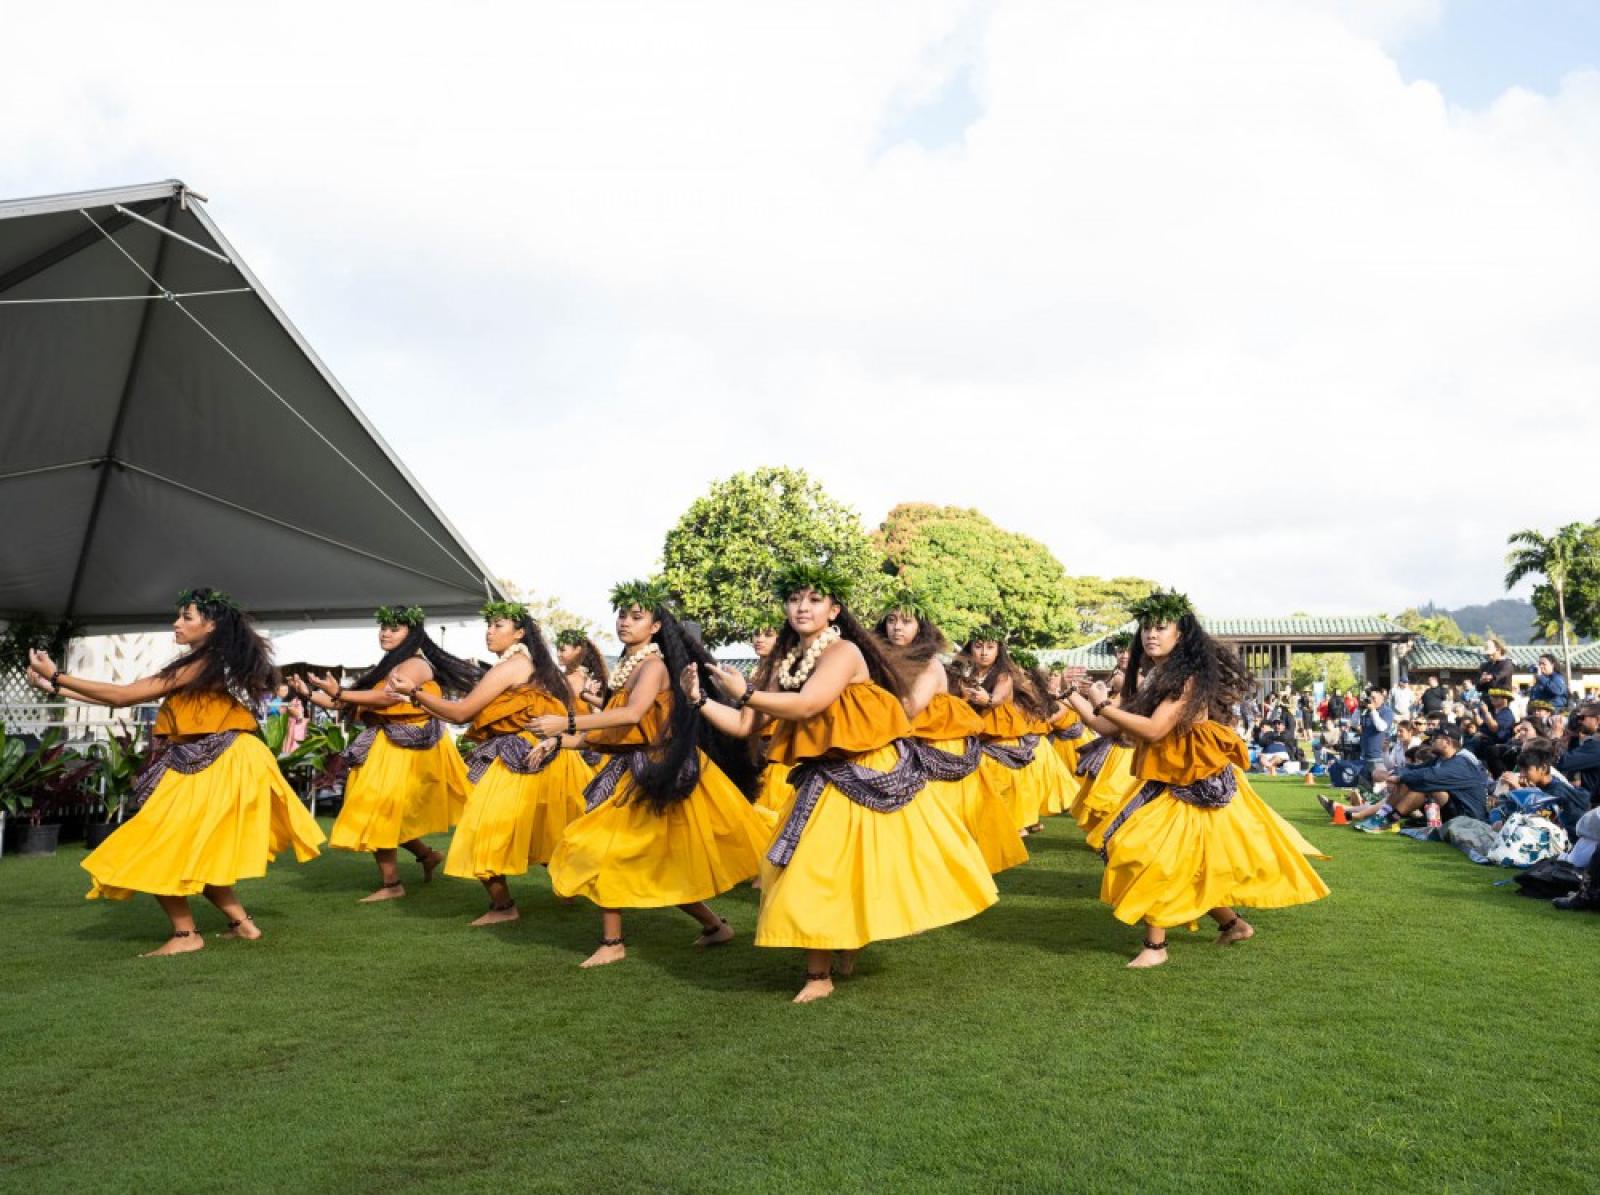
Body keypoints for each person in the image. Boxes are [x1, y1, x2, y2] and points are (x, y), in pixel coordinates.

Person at [691, 564, 997, 1002]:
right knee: (812, 867)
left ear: (834, 610)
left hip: (870, 769)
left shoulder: (845, 652)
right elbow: (745, 725)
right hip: (822, 775)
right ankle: (820, 972)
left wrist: (745, 692)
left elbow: (808, 703)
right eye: (795, 599)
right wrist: (700, 700)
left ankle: (836, 956)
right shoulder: (786, 660)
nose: (802, 607)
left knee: (848, 868)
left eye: (814, 600)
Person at [26, 588, 325, 956]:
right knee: (193, 848)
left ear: (211, 625)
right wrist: (54, 685)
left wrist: (58, 676)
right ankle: (242, 925)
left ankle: (186, 936)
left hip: (221, 760)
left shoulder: (204, 662)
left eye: (187, 617)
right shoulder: (207, 663)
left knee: (157, 844)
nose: (176, 623)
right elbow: (125, 694)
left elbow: (124, 695)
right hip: (221, 756)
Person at [1064, 591, 1328, 968]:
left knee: (1150, 854)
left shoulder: (1185, 678)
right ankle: (1233, 924)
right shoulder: (1157, 675)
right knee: (1175, 859)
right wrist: (1077, 698)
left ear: (1181, 634)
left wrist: (1103, 701)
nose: (1150, 635)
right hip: (1169, 777)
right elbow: (1109, 728)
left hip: (1195, 781)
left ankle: (1156, 948)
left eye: (1161, 627)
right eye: (1146, 628)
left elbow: (1154, 730)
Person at [542, 581, 772, 968]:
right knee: (660, 861)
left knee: (604, 850)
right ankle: (715, 927)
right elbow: (614, 732)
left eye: (637, 616)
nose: (625, 622)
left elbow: (632, 715)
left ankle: (613, 942)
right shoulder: (627, 669)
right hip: (633, 771)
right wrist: (558, 742)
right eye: (622, 615)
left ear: (655, 627)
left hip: (660, 773)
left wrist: (566, 720)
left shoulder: (652, 667)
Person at [391, 601, 594, 925]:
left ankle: (504, 907)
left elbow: (461, 713)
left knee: (482, 828)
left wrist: (415, 692)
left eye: (498, 625)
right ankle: (570, 888)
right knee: (545, 833)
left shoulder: (511, 666)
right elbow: (461, 713)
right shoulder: (531, 666)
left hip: (524, 757)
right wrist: (419, 699)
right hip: (543, 756)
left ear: (520, 632)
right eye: (489, 625)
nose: (490, 631)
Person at [291, 605, 475, 901]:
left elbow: (386, 698)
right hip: (386, 745)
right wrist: (310, 693)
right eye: (383, 628)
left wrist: (339, 692)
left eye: (394, 628)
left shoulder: (415, 664)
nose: (385, 633)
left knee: (376, 810)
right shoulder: (390, 665)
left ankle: (393, 886)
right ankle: (425, 856)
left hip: (409, 749)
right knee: (380, 812)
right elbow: (347, 702)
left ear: (412, 633)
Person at [875, 593, 1024, 875]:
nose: (897, 627)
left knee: (948, 821)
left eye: (906, 621)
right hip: (916, 744)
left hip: (943, 750)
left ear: (921, 628)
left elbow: (910, 708)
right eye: (891, 620)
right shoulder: (886, 661)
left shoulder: (929, 665)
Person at [1326, 725, 1489, 827]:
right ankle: (1381, 816)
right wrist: (1393, 775)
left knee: (1423, 784)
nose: (1431, 740)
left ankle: (1388, 819)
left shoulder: (1462, 762)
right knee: (1414, 779)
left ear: (1447, 742)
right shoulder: (1443, 758)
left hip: (1469, 818)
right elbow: (1414, 769)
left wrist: (1397, 778)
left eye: (1435, 738)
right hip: (1451, 810)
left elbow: (1429, 776)